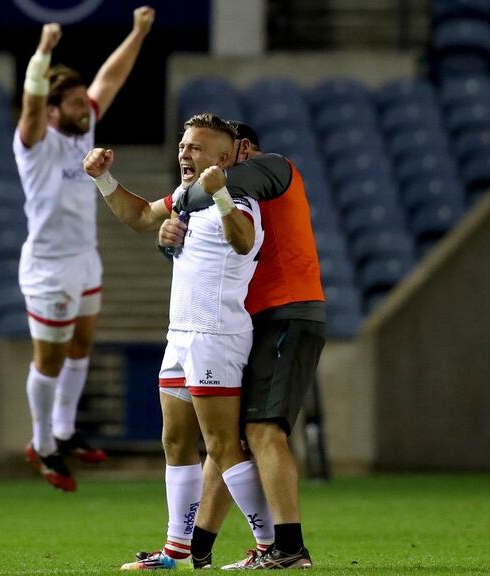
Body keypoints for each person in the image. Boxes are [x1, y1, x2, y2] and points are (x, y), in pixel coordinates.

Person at [84, 113, 272, 571]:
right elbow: (140, 216)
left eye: (196, 147)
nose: (185, 154)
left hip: (216, 336)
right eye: (183, 145)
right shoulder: (186, 201)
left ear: (224, 159)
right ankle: (175, 550)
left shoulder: (240, 197)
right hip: (181, 335)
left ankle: (272, 546)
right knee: (174, 441)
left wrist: (222, 192)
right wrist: (103, 177)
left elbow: (244, 241)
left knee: (223, 447)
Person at [158, 122, 325, 570]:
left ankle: (288, 548)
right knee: (226, 440)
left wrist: (172, 204)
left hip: (287, 312)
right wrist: (168, 237)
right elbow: (199, 228)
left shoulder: (271, 168)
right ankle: (198, 549)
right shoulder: (228, 198)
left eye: (221, 151)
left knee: (261, 432)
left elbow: (197, 195)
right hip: (259, 318)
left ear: (240, 149)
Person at [14, 7, 154, 492]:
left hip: (85, 258)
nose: (84, 105)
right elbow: (31, 105)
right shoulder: (35, 141)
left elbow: (110, 77)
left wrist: (136, 31)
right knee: (48, 362)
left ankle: (65, 431)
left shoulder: (85, 128)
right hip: (48, 268)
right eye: (73, 102)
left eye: (81, 100)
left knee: (81, 347)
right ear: (53, 112)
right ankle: (41, 445)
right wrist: (43, 54)